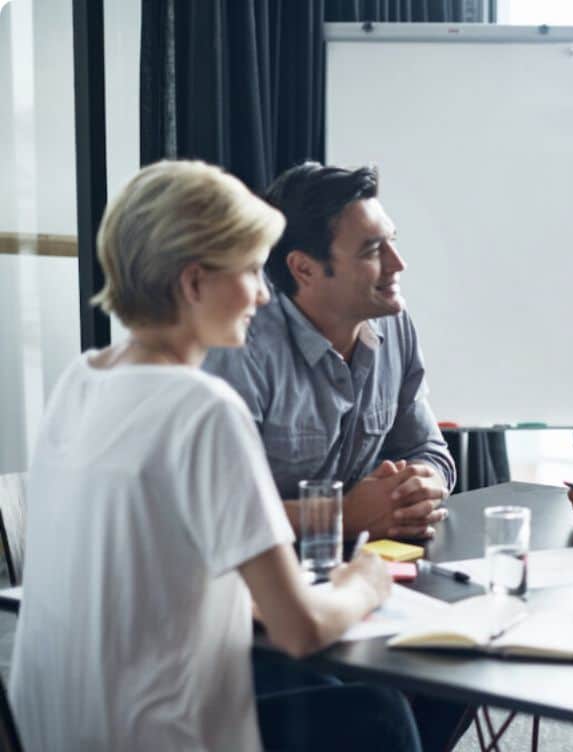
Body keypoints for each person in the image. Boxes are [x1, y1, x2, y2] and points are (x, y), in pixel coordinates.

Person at [10, 160, 421, 751]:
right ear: (194, 282)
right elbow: (300, 629)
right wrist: (366, 584)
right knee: (378, 715)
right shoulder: (203, 408)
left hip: (57, 727)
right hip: (154, 734)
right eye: (252, 269)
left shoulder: (80, 381)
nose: (262, 291)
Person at [204, 162, 453, 542]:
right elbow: (216, 511)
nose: (398, 264)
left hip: (370, 569)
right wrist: (341, 515)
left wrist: (420, 486)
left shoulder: (392, 319)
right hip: (259, 581)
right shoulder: (240, 346)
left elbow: (426, 448)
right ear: (304, 268)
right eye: (372, 250)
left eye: (393, 241)